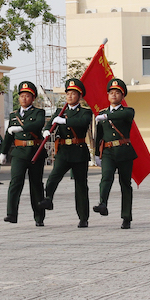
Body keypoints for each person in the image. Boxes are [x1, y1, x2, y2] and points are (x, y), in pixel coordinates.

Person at [40, 78, 93, 227]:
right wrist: (46, 131)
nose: (70, 96)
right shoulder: (59, 111)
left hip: (79, 151)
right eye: (68, 93)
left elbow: (83, 123)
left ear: (80, 96)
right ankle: (48, 198)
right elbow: (50, 124)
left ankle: (83, 217)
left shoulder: (85, 112)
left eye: (73, 93)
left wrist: (65, 122)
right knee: (53, 177)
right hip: (63, 150)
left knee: (81, 185)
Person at [0, 81, 47, 226]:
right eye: (22, 96)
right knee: (15, 182)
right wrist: (3, 152)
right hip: (19, 152)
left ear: (33, 98)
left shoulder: (39, 112)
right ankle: (11, 214)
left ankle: (39, 217)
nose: (24, 98)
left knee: (36, 185)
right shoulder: (13, 115)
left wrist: (21, 128)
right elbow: (8, 135)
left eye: (27, 96)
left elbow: (38, 124)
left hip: (35, 152)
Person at [93, 78, 137, 229]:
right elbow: (98, 136)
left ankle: (126, 217)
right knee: (106, 177)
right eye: (111, 93)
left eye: (117, 93)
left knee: (125, 184)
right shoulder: (102, 113)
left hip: (124, 151)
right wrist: (96, 154)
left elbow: (122, 116)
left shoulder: (127, 111)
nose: (114, 95)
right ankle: (102, 203)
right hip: (108, 152)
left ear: (122, 96)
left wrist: (106, 116)